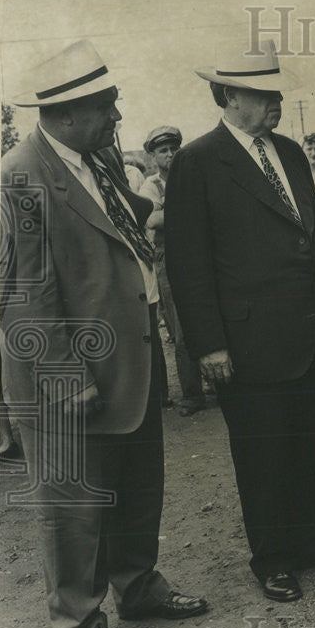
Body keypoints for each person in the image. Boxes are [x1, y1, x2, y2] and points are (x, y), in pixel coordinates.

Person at [0, 40, 207, 628]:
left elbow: (119, 226)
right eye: (106, 108)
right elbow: (24, 291)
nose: (118, 118)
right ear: (65, 113)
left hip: (130, 353)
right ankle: (77, 623)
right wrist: (64, 375)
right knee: (75, 504)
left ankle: (138, 587)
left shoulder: (100, 156)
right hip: (67, 370)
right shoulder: (22, 175)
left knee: (137, 484)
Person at [165, 39, 315, 604]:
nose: (275, 101)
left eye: (276, 91)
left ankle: (307, 539)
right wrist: (209, 345)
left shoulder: (291, 152)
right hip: (247, 341)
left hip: (308, 329)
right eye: (262, 93)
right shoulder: (198, 161)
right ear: (229, 96)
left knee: (310, 441)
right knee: (262, 450)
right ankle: (271, 557)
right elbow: (188, 264)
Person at [141, 125, 206, 417]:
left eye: (173, 149)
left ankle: (216, 382)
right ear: (153, 156)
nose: (169, 155)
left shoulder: (193, 176)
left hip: (201, 253)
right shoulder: (151, 186)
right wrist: (187, 214)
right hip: (169, 257)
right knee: (181, 327)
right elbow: (152, 220)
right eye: (163, 151)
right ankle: (192, 393)